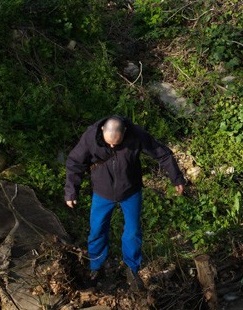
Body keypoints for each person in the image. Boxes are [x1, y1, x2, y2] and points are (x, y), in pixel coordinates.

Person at [65, 115, 185, 290]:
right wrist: (71, 191)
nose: (112, 146)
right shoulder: (90, 137)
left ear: (125, 133)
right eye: (109, 143)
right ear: (102, 131)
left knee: (133, 231)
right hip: (102, 191)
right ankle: (95, 267)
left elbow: (163, 154)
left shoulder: (136, 134)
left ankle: (132, 268)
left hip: (130, 190)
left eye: (117, 143)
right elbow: (75, 162)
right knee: (97, 230)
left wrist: (177, 178)